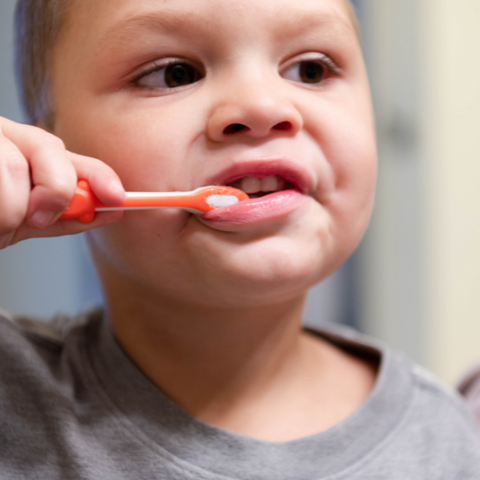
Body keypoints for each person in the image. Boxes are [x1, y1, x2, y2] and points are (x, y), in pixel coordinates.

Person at [1, 0, 479, 478]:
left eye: (310, 70)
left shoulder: (448, 441)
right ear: (50, 148)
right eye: (174, 74)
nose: (262, 107)